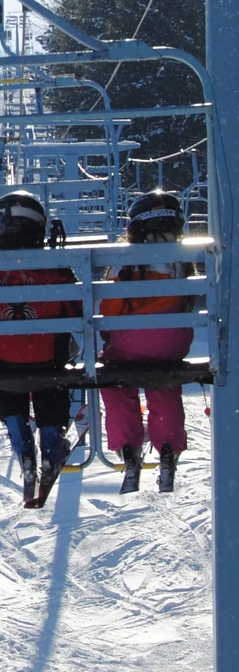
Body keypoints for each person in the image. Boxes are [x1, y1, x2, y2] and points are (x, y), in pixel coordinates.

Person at [0, 192, 77, 495]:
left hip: (5, 364)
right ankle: (52, 444)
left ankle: (23, 447)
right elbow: (75, 313)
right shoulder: (55, 269)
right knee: (50, 381)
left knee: (6, 376)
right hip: (48, 363)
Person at [100, 190, 195, 494]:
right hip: (171, 346)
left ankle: (128, 450)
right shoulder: (183, 261)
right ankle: (167, 448)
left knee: (115, 382)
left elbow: (109, 312)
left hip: (127, 348)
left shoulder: (123, 263)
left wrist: (111, 336)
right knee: (164, 383)